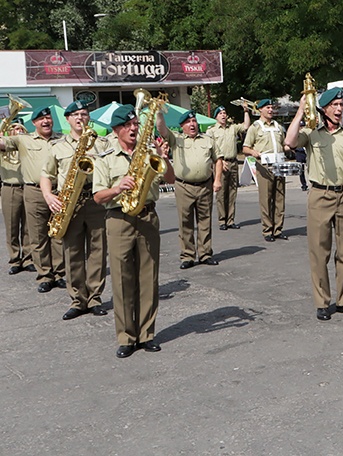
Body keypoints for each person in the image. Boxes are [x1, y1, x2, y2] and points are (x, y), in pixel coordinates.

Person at [93, 104, 175, 358]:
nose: (133, 129)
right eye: (127, 126)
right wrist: (117, 188)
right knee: (122, 279)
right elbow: (97, 196)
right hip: (118, 218)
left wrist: (163, 157)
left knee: (148, 278)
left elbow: (170, 179)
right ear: (116, 130)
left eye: (135, 125)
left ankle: (146, 334)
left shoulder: (148, 150)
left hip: (148, 215)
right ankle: (127, 337)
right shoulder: (105, 158)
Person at [286, 88, 343, 321]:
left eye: (342, 105)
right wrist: (301, 108)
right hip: (320, 195)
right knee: (320, 252)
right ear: (324, 108)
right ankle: (322, 302)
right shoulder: (312, 134)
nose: (340, 109)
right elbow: (289, 141)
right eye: (335, 105)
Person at [40, 101, 108, 320]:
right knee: (73, 253)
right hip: (69, 202)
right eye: (76, 114)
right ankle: (78, 300)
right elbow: (46, 175)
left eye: (84, 114)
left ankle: (95, 298)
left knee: (97, 251)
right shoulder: (57, 146)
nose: (81, 117)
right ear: (68, 118)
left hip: (95, 200)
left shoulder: (101, 143)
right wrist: (49, 196)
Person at [0, 107, 65, 293]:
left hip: (58, 191)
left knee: (57, 234)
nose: (46, 121)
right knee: (37, 236)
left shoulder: (61, 139)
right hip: (34, 192)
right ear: (34, 123)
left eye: (48, 118)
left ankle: (60, 273)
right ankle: (45, 275)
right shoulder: (23, 139)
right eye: (41, 119)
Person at [157, 110, 223, 269]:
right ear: (182, 126)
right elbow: (161, 129)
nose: (192, 124)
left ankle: (205, 253)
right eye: (188, 122)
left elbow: (218, 160)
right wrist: (158, 112)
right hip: (183, 186)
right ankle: (187, 255)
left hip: (204, 185)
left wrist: (217, 180)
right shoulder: (176, 139)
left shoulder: (207, 139)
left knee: (205, 221)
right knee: (185, 221)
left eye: (194, 121)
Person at [242, 98, 288, 242]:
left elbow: (284, 144)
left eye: (271, 107)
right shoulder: (255, 127)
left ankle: (278, 229)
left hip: (279, 165)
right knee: (266, 199)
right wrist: (253, 152)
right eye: (267, 107)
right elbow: (245, 148)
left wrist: (290, 147)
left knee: (280, 199)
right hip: (265, 166)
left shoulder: (278, 127)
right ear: (260, 110)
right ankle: (268, 230)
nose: (270, 110)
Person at [207, 103, 250, 231]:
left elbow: (245, 126)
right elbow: (209, 148)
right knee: (221, 193)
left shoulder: (232, 128)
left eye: (224, 113)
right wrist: (218, 161)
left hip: (233, 162)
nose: (223, 116)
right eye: (220, 114)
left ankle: (230, 220)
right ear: (216, 117)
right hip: (220, 163)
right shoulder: (212, 131)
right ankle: (222, 220)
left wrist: (246, 111)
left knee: (232, 193)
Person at [1, 118, 32, 276]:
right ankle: (14, 259)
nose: (18, 131)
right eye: (14, 129)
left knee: (28, 226)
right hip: (10, 188)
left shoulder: (26, 146)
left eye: (20, 129)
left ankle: (28, 258)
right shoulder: (4, 147)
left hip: (27, 187)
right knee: (12, 226)